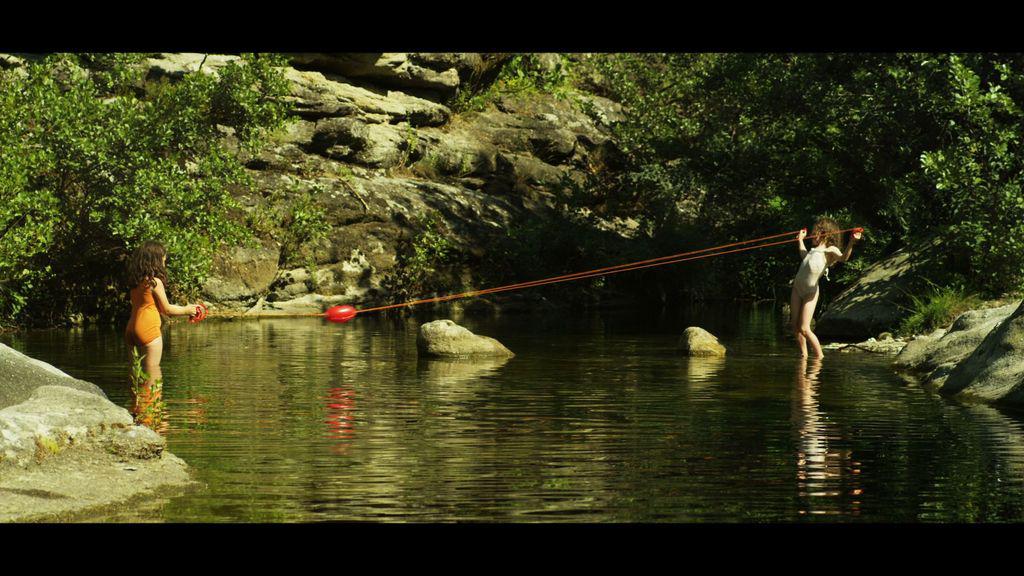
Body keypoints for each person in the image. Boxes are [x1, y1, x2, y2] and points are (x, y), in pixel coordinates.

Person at [124, 241, 202, 413]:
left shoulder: (136, 281)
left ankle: (135, 413)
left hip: (131, 329)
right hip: (148, 329)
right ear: (156, 260)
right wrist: (188, 309)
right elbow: (166, 309)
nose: (165, 262)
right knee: (153, 375)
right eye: (164, 259)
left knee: (135, 375)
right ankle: (153, 419)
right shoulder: (155, 282)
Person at [791, 218, 862, 358]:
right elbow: (803, 255)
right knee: (795, 327)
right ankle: (803, 356)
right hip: (797, 289)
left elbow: (843, 258)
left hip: (810, 292)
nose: (811, 236)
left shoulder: (830, 250)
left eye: (814, 233)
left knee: (805, 328)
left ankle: (819, 357)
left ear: (824, 234)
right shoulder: (812, 250)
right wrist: (800, 240)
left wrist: (852, 242)